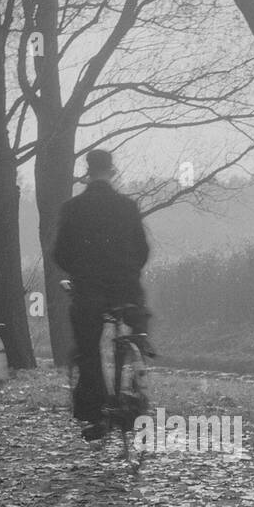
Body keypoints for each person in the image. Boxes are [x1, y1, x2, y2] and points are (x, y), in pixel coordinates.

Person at [52, 149, 154, 440]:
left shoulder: (73, 208)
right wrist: (129, 274)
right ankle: (137, 360)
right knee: (135, 322)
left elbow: (60, 252)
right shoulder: (127, 206)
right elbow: (143, 250)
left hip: (90, 288)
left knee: (88, 347)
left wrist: (78, 273)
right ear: (112, 171)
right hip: (125, 288)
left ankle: (96, 413)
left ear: (88, 171)